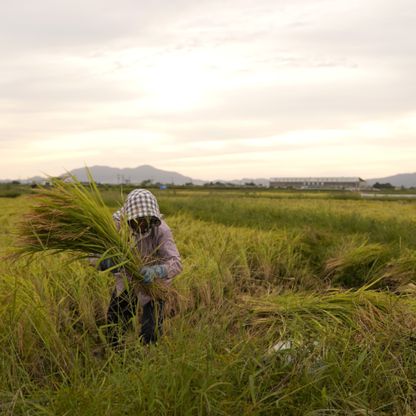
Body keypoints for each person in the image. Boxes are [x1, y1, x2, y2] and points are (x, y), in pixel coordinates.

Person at [102, 188, 182, 346]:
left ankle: (148, 357)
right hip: (128, 280)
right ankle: (116, 355)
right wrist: (107, 262)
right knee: (114, 323)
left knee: (151, 330)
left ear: (151, 217)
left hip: (154, 283)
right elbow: (97, 255)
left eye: (143, 220)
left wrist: (157, 271)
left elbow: (176, 262)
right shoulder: (118, 227)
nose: (139, 224)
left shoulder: (161, 230)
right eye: (135, 220)